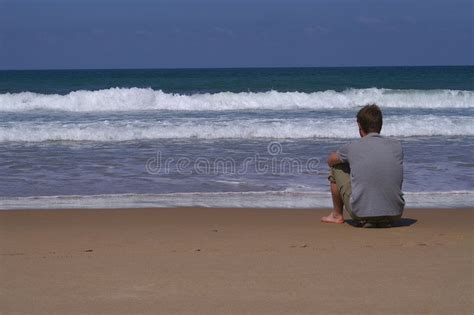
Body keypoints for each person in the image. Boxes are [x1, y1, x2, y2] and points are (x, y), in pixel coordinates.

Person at [321, 104, 404, 227]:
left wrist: (348, 161)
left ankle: (336, 215)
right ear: (380, 125)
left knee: (336, 167)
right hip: (396, 213)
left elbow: (330, 160)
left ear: (359, 126)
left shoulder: (352, 147)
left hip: (360, 213)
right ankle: (383, 216)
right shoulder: (397, 146)